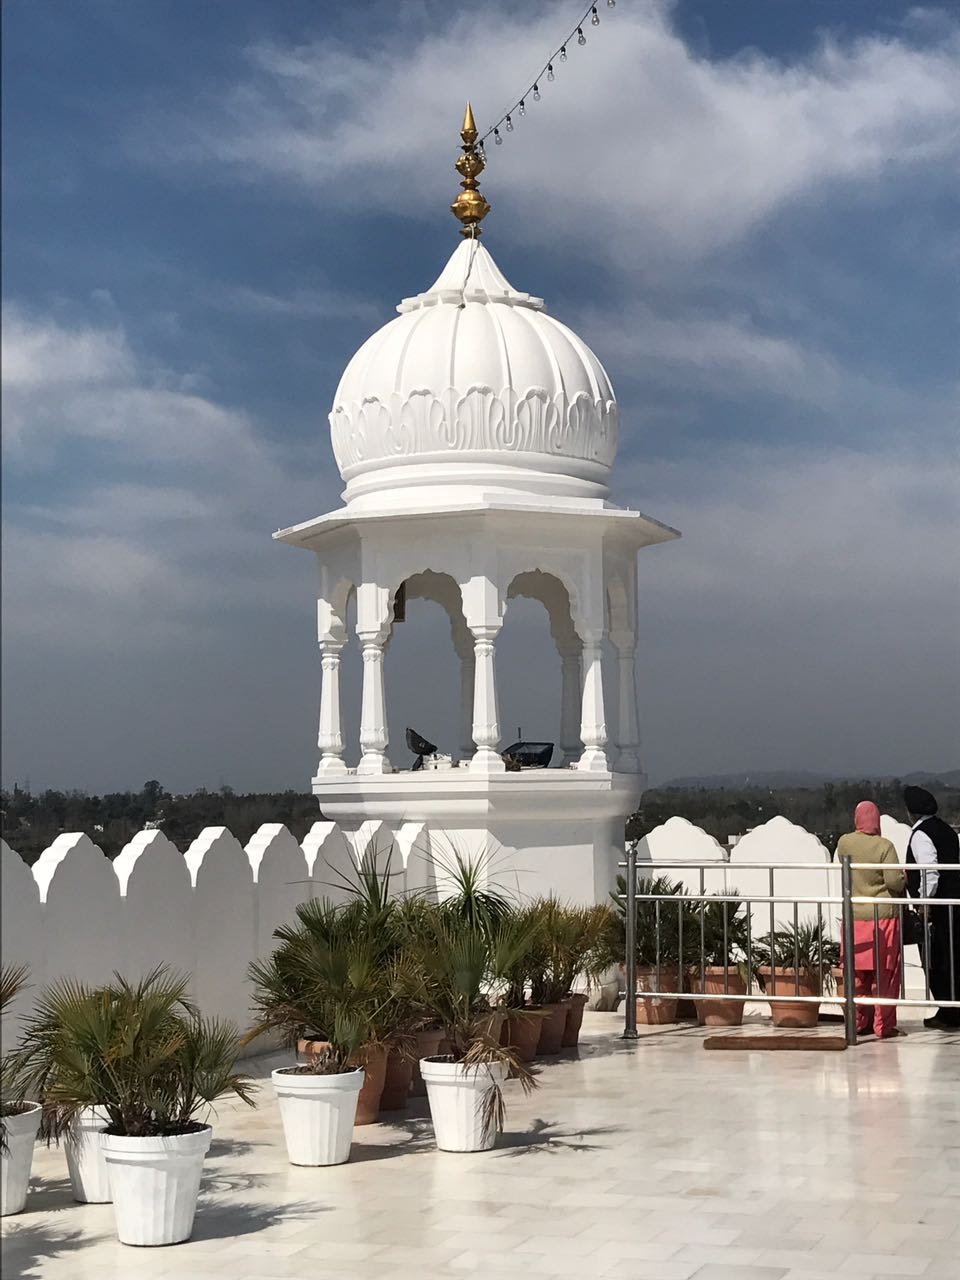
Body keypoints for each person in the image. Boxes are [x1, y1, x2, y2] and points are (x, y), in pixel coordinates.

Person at [836, 801, 906, 1038]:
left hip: (853, 917)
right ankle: (882, 1026)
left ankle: (857, 1023)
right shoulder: (885, 846)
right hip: (882, 917)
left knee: (856, 975)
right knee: (884, 975)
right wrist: (903, 877)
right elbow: (894, 881)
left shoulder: (844, 842)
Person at [904, 785, 960, 1031]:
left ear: (910, 812)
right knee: (952, 957)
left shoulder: (920, 835)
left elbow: (930, 873)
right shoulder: (946, 829)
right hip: (952, 905)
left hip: (937, 909)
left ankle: (949, 1011)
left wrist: (924, 904)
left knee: (936, 960)